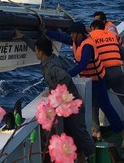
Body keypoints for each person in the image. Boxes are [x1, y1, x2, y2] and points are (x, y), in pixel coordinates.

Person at [47, 22, 124, 148]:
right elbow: (62, 37)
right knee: (91, 107)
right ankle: (96, 132)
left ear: (80, 34)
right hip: (87, 80)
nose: (72, 35)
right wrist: (46, 32)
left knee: (106, 107)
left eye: (74, 33)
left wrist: (67, 75)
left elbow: (83, 64)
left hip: (98, 81)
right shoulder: (76, 41)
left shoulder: (87, 46)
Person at [15, 32, 96, 161]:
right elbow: (36, 46)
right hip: (66, 107)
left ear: (41, 53)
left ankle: (95, 157)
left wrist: (54, 91)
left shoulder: (52, 67)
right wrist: (24, 37)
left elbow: (66, 78)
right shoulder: (50, 58)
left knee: (81, 136)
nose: (35, 52)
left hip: (72, 106)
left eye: (36, 50)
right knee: (72, 137)